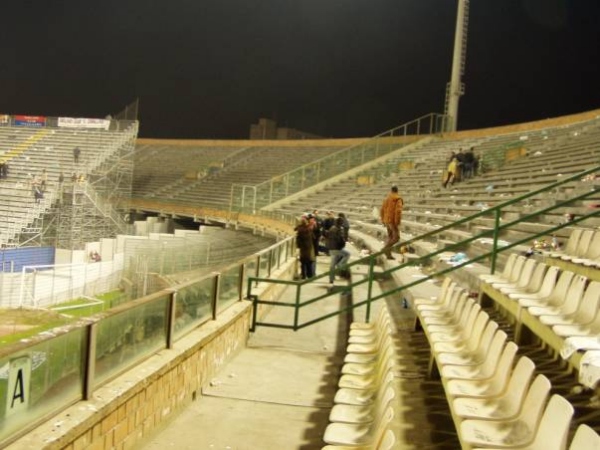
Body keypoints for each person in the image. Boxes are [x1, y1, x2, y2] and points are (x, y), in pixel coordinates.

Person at [380, 185, 403, 259]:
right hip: (392, 221)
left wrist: (383, 220)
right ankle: (385, 249)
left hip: (387, 221)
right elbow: (398, 211)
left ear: (391, 191)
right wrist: (397, 222)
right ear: (397, 191)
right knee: (396, 237)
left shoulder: (387, 199)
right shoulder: (398, 199)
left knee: (390, 237)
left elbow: (382, 210)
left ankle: (388, 255)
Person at [326, 217, 351, 285]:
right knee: (347, 254)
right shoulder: (339, 229)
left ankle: (331, 279)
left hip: (331, 248)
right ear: (341, 223)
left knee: (332, 264)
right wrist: (343, 244)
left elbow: (327, 237)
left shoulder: (331, 228)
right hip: (337, 248)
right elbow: (340, 240)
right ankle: (341, 265)